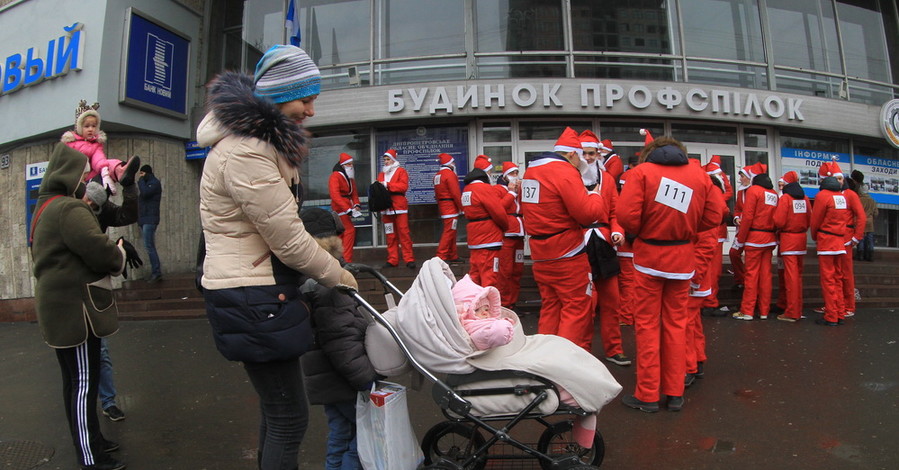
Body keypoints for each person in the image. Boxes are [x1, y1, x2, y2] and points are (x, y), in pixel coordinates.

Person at [196, 44, 359, 470]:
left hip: (258, 292)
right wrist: (337, 275)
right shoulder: (247, 151)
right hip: (253, 295)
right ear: (282, 94)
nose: (311, 111)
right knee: (290, 417)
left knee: (277, 411)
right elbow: (287, 237)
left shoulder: (257, 145)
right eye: (306, 99)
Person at [31, 143, 128, 470]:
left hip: (61, 312)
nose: (86, 179)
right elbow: (100, 251)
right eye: (82, 174)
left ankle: (94, 441)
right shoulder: (69, 209)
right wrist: (119, 254)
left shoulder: (44, 207)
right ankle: (91, 456)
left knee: (76, 383)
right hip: (78, 313)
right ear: (69, 176)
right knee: (84, 385)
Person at [616, 134, 725, 413]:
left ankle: (648, 394)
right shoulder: (699, 175)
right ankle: (675, 392)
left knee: (647, 326)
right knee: (677, 326)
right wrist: (688, 228)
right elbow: (715, 215)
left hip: (649, 258)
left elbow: (627, 217)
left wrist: (643, 229)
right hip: (682, 258)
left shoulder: (640, 173)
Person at [297, 207, 378, 470]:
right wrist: (366, 381)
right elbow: (342, 342)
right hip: (343, 379)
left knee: (340, 431)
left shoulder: (306, 282)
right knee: (363, 435)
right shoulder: (332, 287)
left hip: (324, 377)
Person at [520, 127, 607, 351]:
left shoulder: (531, 172)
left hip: (541, 252)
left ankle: (544, 360)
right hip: (567, 253)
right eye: (581, 156)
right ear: (571, 154)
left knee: (551, 307)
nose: (583, 161)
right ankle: (565, 367)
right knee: (576, 307)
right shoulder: (563, 171)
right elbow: (588, 214)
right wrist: (596, 194)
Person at [578, 130, 629, 367]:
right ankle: (583, 351)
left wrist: (617, 231)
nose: (587, 157)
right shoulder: (571, 177)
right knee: (585, 303)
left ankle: (614, 349)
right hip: (579, 245)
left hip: (605, 242)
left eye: (591, 153)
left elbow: (615, 212)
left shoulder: (607, 179)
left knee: (612, 301)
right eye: (584, 153)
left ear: (599, 154)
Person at [61, 100, 138, 195]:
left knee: (109, 163)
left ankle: (121, 171)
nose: (90, 129)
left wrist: (105, 174)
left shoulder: (96, 144)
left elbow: (99, 159)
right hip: (76, 179)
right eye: (87, 126)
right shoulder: (71, 143)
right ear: (80, 127)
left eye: (93, 126)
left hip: (91, 177)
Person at [731, 171, 778, 321]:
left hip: (754, 238)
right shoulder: (774, 194)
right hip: (769, 238)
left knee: (751, 276)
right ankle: (764, 311)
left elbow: (748, 216)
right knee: (766, 276)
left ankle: (747, 311)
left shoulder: (753, 191)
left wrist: (741, 239)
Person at [810, 161, 852, 326]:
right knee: (837, 279)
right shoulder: (841, 197)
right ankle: (839, 313)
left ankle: (831, 316)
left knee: (828, 280)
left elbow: (816, 220)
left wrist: (815, 236)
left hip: (826, 242)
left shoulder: (822, 196)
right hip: (839, 242)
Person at [461, 166, 508, 289]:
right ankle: (488, 307)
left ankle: (472, 306)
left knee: (475, 276)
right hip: (489, 238)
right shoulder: (484, 189)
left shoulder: (467, 190)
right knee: (490, 277)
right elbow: (498, 213)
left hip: (474, 238)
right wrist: (505, 227)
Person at [773, 171, 810, 322]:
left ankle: (792, 312)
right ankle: (796, 309)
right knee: (798, 277)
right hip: (801, 239)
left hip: (788, 240)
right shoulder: (805, 198)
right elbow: (809, 219)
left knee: (790, 277)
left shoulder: (786, 199)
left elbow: (779, 221)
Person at [452, 274, 515, 350]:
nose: (485, 313)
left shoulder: (489, 323)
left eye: (486, 310)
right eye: (476, 310)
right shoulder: (469, 325)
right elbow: (499, 332)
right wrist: (505, 323)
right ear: (464, 313)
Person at [377, 149, 416, 269]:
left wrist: (388, 185)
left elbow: (403, 186)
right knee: (390, 234)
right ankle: (392, 259)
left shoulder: (401, 171)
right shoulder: (381, 174)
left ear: (393, 160)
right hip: (386, 208)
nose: (386, 162)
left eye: (388, 159)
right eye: (384, 160)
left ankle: (409, 259)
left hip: (399, 207)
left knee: (404, 233)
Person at [497, 161, 525, 309]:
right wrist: (511, 192)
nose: (515, 176)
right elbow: (500, 208)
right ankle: (504, 304)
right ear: (506, 176)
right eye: (512, 173)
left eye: (516, 173)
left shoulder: (520, 191)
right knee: (505, 270)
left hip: (519, 236)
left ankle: (512, 302)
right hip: (507, 236)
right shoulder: (500, 190)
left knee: (518, 269)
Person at [328, 153, 361, 262]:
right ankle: (346, 259)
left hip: (347, 208)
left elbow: (354, 193)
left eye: (352, 164)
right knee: (349, 231)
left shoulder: (350, 178)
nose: (351, 166)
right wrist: (347, 209)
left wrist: (356, 204)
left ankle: (339, 258)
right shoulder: (335, 176)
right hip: (340, 208)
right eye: (348, 164)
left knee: (342, 234)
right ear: (343, 165)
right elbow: (335, 195)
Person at [433, 152, 463, 263]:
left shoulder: (438, 175)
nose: (454, 164)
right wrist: (462, 207)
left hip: (443, 206)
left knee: (451, 231)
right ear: (450, 164)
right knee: (449, 231)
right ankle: (441, 256)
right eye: (453, 162)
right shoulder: (450, 175)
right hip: (451, 207)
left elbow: (436, 193)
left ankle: (452, 255)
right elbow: (455, 193)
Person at [138, 164, 163, 282]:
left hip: (150, 219)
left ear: (147, 173)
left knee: (149, 246)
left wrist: (141, 182)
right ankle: (156, 271)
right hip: (145, 218)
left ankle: (156, 271)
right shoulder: (147, 183)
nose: (140, 177)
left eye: (142, 174)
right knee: (149, 245)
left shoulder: (154, 183)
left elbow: (145, 193)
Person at [851, 170, 878, 261]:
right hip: (870, 222)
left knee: (861, 239)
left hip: (861, 221)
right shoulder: (872, 200)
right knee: (870, 240)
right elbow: (876, 213)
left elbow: (856, 211)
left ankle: (860, 255)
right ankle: (870, 256)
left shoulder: (859, 199)